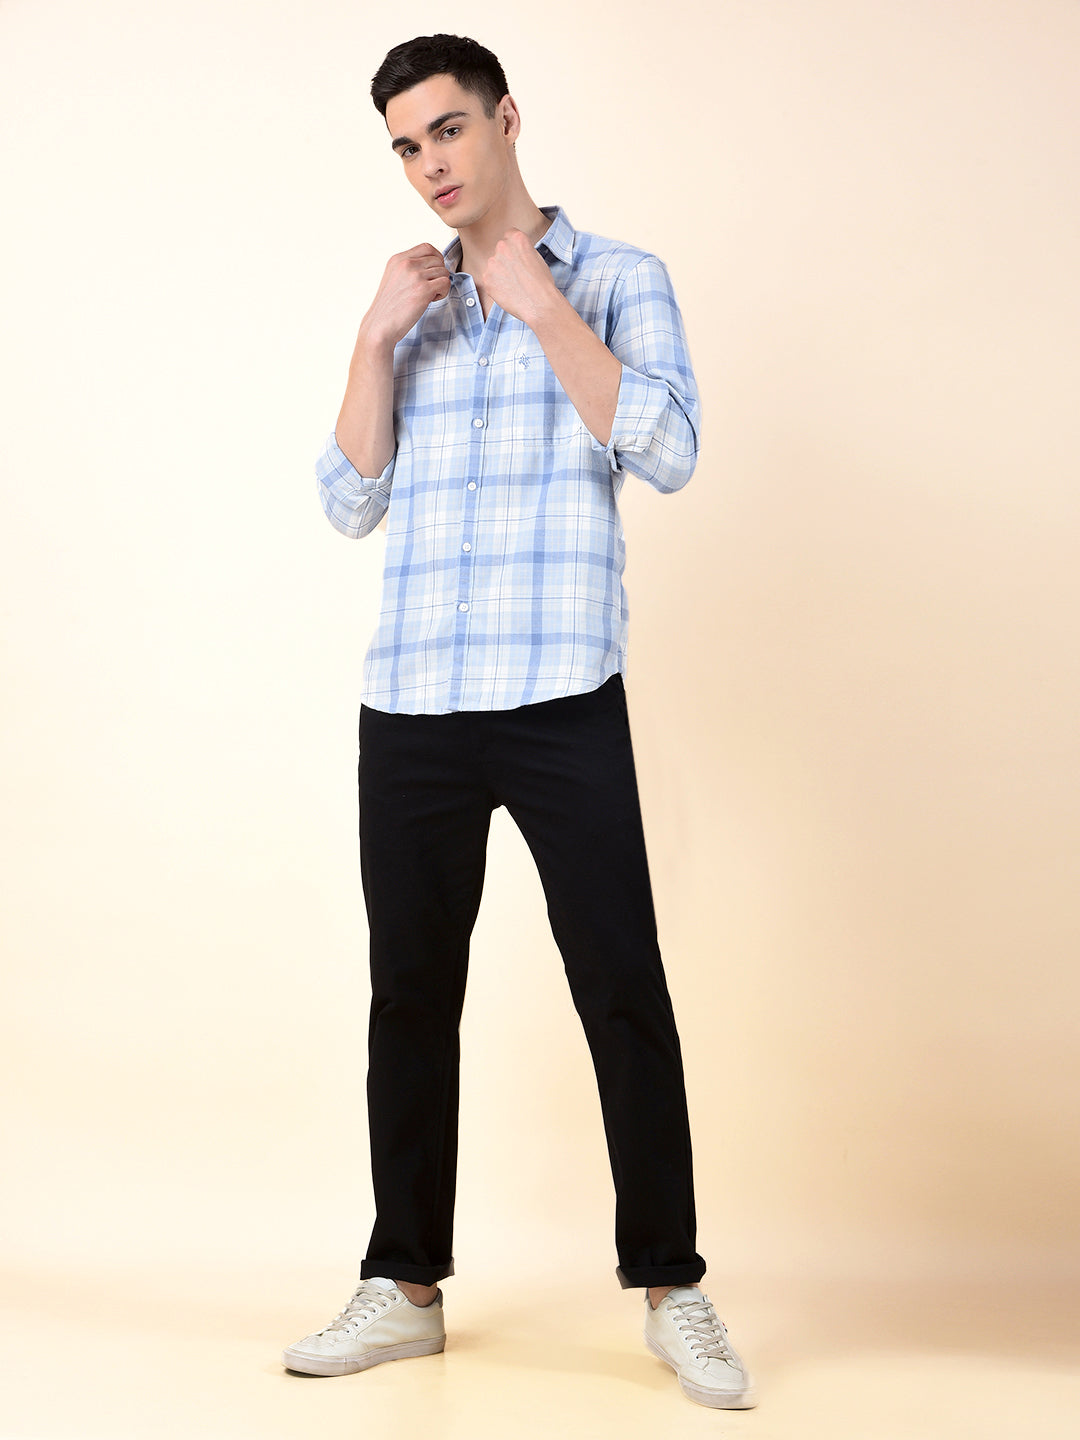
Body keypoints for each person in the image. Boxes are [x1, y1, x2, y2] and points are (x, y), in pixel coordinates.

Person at [281, 33, 757, 1411]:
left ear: (505, 121)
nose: (429, 164)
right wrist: (373, 338)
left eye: (447, 130)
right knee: (411, 999)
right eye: (406, 146)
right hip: (415, 702)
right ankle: (405, 1287)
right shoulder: (410, 303)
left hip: (561, 695)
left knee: (621, 986)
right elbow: (349, 500)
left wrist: (545, 309)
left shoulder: (617, 280)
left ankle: (672, 1287)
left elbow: (669, 449)